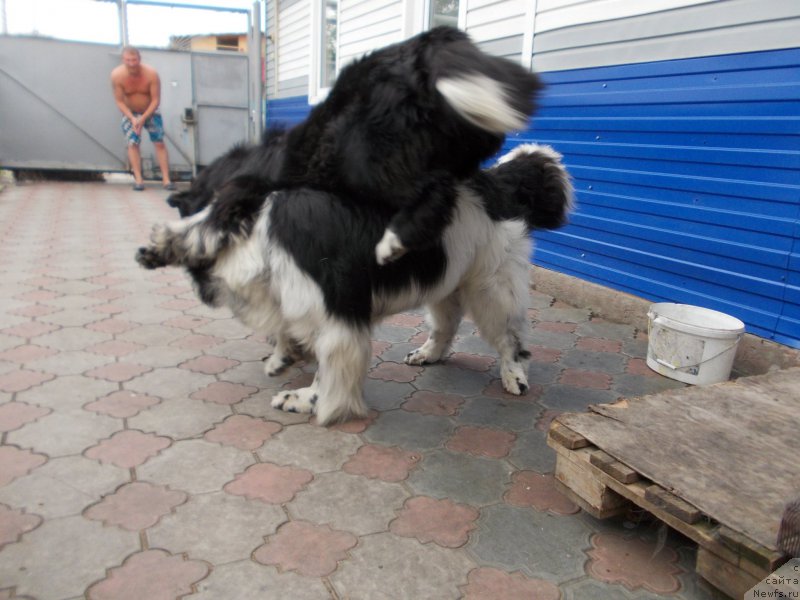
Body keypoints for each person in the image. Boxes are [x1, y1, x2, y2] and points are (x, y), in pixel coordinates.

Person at [111, 46, 175, 191]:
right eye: (128, 60)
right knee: (132, 143)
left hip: (150, 112)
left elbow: (155, 100)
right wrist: (133, 118)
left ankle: (166, 179)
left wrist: (144, 117)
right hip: (130, 113)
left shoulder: (151, 74)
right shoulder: (117, 75)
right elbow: (119, 101)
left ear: (139, 59)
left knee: (159, 142)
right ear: (123, 60)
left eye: (134, 60)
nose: (132, 63)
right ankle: (138, 180)